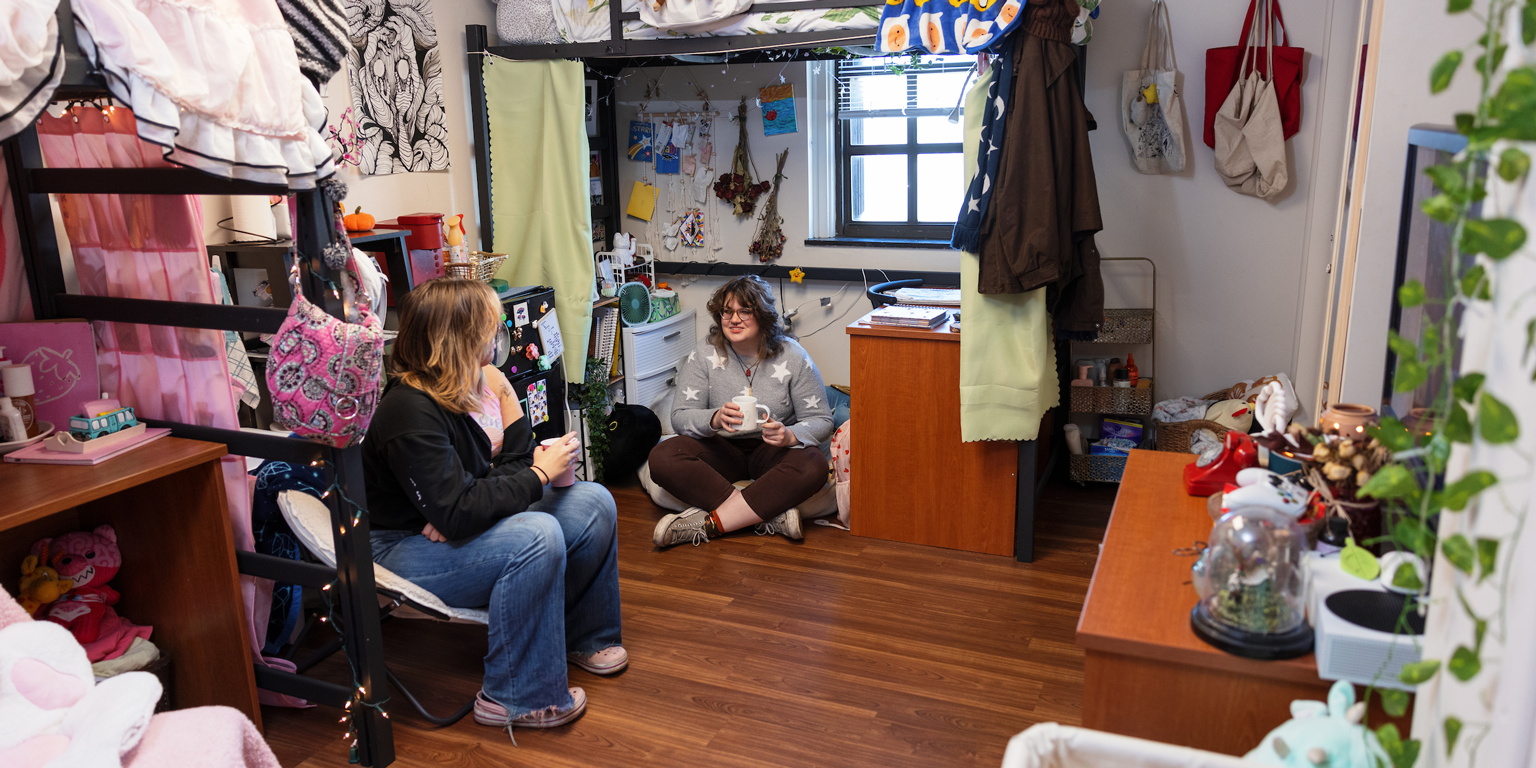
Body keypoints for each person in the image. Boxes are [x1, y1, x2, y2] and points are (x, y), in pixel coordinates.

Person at [361, 278, 624, 735]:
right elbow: (463, 504)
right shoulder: (407, 410)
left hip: (439, 528)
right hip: (396, 548)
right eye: (489, 326)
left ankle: (584, 637)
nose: (497, 334)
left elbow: (490, 477)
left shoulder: (462, 388)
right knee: (535, 537)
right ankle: (515, 697)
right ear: (458, 337)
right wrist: (534, 478)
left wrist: (465, 507)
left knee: (593, 502)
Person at [648, 275, 834, 547]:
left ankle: (710, 524)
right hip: (721, 449)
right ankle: (767, 515)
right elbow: (680, 417)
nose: (734, 319)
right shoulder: (704, 353)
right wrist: (714, 418)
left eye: (745, 310)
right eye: (727, 311)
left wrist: (789, 435)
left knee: (814, 464)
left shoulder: (793, 356)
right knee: (662, 456)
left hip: (772, 451)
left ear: (763, 315)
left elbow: (822, 420)